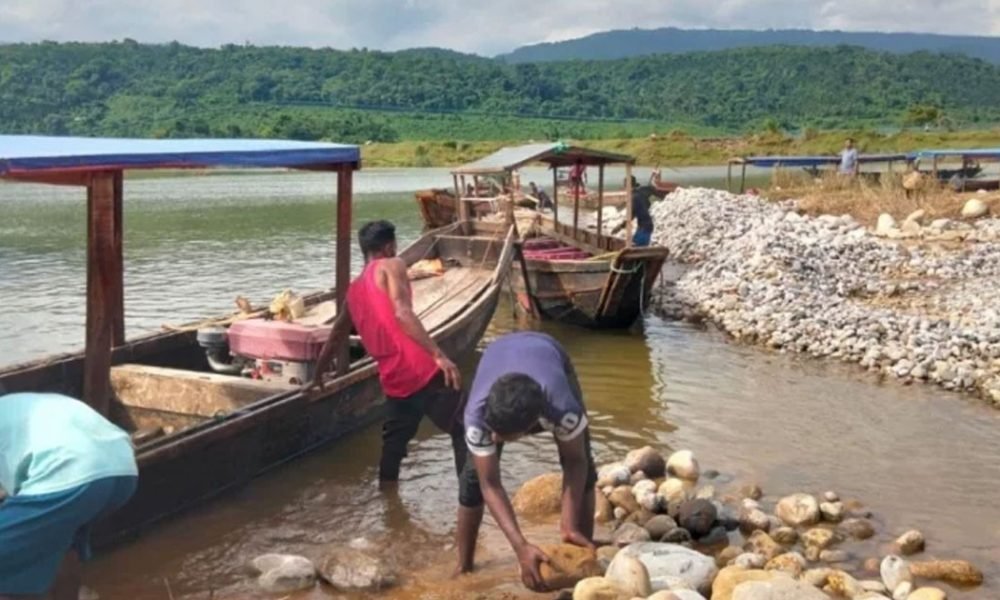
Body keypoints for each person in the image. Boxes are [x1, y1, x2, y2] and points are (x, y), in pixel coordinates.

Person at [311, 220, 465, 493]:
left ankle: (389, 505)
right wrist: (438, 354)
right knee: (464, 428)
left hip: (395, 380)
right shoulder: (392, 264)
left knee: (393, 448)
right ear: (389, 246)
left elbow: (336, 335)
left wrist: (318, 374)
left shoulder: (353, 291)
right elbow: (402, 312)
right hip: (422, 368)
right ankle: (470, 498)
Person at [454, 332, 597, 592]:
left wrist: (568, 523)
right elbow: (489, 484)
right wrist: (520, 546)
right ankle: (463, 567)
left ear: (532, 427)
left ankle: (582, 555)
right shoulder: (477, 415)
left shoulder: (563, 409)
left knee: (585, 466)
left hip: (550, 350)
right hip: (497, 353)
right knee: (472, 480)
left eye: (501, 435)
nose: (493, 439)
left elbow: (576, 462)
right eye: (491, 430)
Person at [0, 392, 138, 600]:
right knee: (59, 545)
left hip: (70, 474)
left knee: (14, 554)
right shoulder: (17, 404)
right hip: (122, 469)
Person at [616, 168, 677, 247]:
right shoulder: (642, 190)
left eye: (625, 186)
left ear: (627, 186)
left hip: (645, 227)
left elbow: (631, 216)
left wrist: (620, 226)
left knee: (637, 247)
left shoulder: (634, 197)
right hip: (644, 226)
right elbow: (651, 189)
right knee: (634, 243)